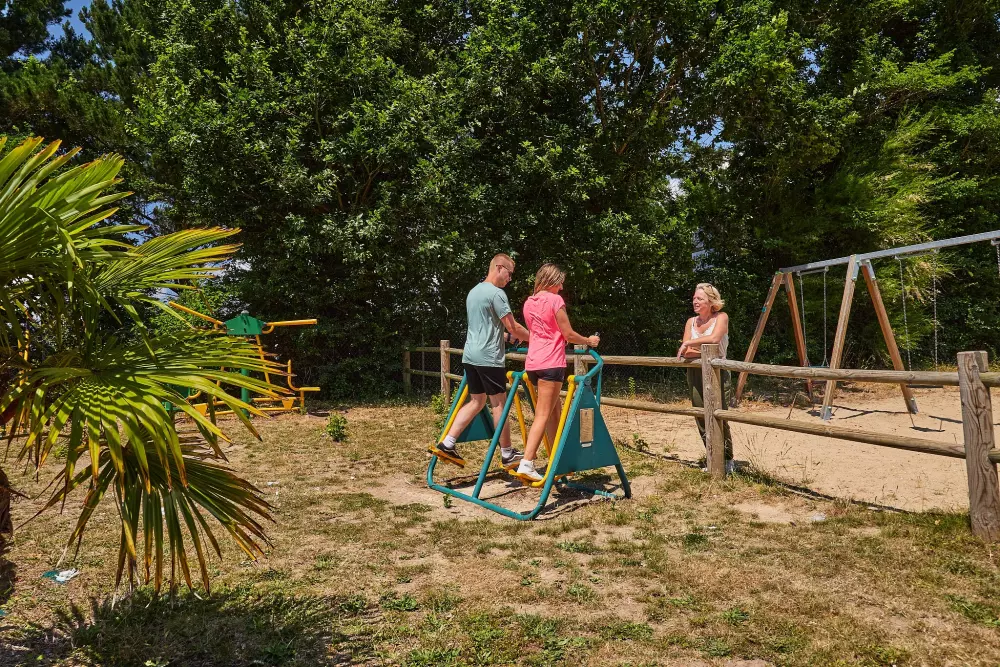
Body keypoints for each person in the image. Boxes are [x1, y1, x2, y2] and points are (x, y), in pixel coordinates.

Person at [430, 254, 530, 468]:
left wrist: (506, 336)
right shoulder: (497, 294)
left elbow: (487, 327)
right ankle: (507, 453)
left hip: (470, 355)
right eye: (509, 273)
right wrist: (537, 338)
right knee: (499, 404)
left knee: (476, 401)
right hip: (489, 358)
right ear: (499, 267)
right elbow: (512, 327)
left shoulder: (473, 292)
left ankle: (447, 442)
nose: (510, 279)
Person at [513, 264, 599, 483]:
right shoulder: (555, 301)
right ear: (551, 281)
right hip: (551, 363)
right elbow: (568, 334)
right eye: (560, 282)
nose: (561, 287)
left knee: (554, 414)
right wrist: (589, 341)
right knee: (543, 415)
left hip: (533, 363)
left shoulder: (529, 302)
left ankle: (556, 459)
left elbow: (536, 332)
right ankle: (527, 462)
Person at [677, 283, 735, 473]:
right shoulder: (690, 322)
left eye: (699, 298)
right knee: (700, 414)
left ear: (711, 301)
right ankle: (712, 456)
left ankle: (727, 460)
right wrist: (691, 348)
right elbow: (686, 354)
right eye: (694, 298)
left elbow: (714, 340)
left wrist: (690, 343)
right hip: (695, 372)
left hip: (718, 372)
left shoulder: (722, 317)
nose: (695, 301)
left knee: (719, 414)